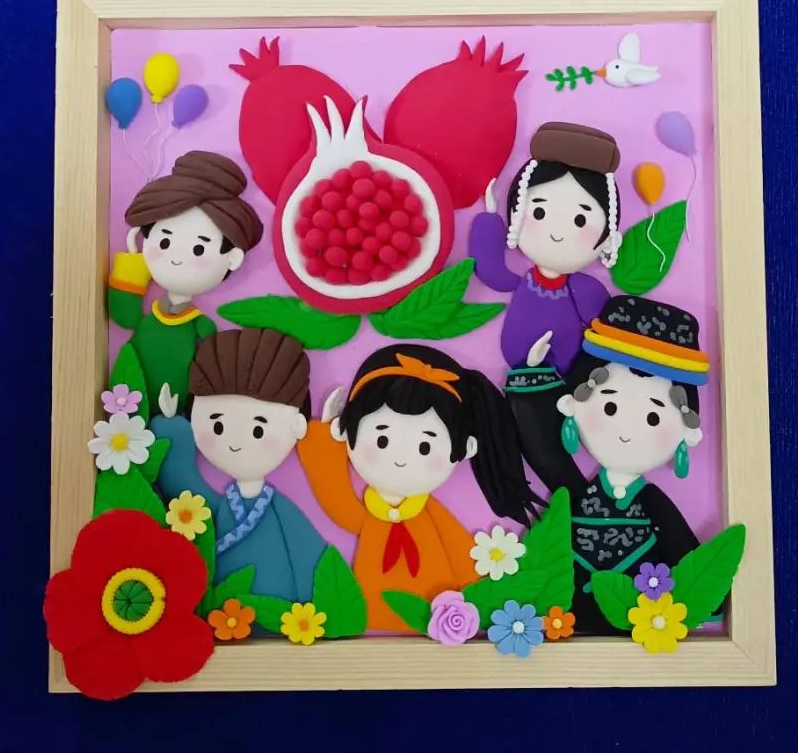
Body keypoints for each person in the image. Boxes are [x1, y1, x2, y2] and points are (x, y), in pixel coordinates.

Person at [493, 295, 709, 635]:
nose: (627, 430)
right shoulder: (577, 495)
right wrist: (533, 378)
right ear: (574, 404)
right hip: (564, 610)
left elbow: (680, 547)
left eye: (653, 417)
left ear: (685, 431)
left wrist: (704, 600)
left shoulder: (650, 503)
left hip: (636, 611)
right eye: (610, 407)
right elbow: (544, 452)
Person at [299, 345, 541, 631]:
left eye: (425, 446)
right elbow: (336, 502)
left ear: (465, 448)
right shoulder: (369, 515)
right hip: (373, 612)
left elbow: (460, 552)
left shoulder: (432, 515)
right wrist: (324, 442)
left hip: (434, 608)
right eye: (382, 440)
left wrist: (479, 597)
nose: (400, 459)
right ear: (346, 428)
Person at [469, 122, 622, 492]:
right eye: (538, 212)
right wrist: (489, 218)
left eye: (581, 219)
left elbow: (605, 335)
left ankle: (574, 487)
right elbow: (491, 270)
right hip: (523, 377)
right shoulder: (525, 282)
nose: (557, 232)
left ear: (606, 234)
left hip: (566, 380)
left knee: (550, 430)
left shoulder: (585, 289)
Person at [153, 328, 327, 601]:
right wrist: (172, 433)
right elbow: (185, 492)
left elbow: (307, 550)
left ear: (297, 426)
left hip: (277, 605)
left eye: (258, 430)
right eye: (218, 426)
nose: (235, 442)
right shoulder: (221, 506)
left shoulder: (279, 510)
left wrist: (317, 599)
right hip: (219, 605)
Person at [108, 151, 263, 417]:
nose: (176, 257)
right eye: (164, 241)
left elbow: (210, 368)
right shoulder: (147, 321)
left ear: (232, 258)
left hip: (179, 412)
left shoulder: (202, 328)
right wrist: (132, 265)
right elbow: (124, 316)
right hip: (129, 406)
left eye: (199, 249)